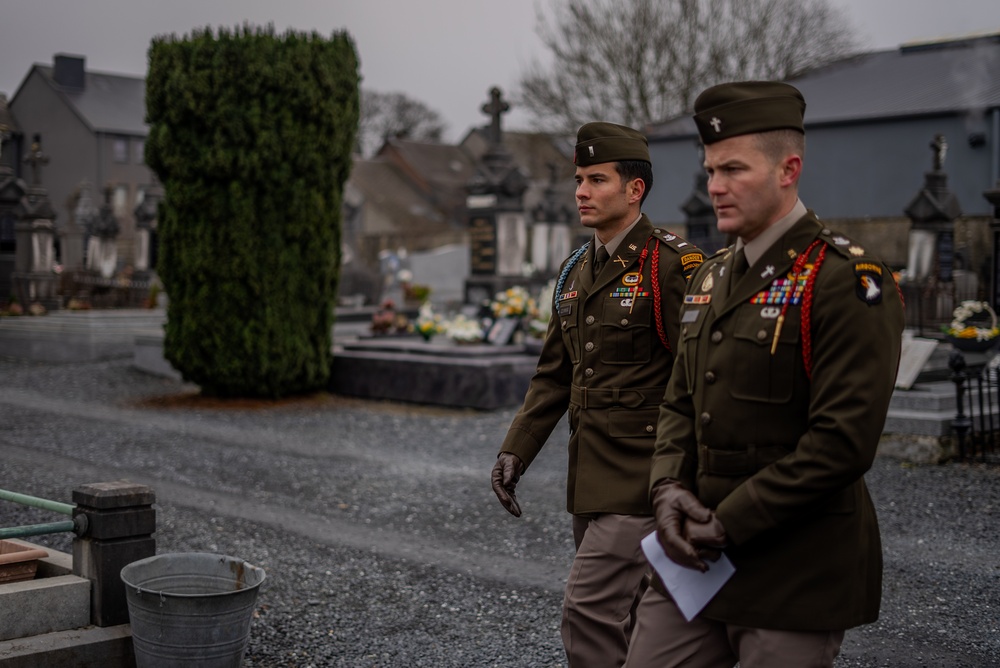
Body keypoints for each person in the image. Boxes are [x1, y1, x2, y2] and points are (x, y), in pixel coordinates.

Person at [623, 81, 905, 667]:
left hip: (792, 565)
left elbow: (842, 444)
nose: (715, 187)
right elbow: (679, 400)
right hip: (693, 558)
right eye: (710, 171)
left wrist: (728, 523)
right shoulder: (710, 275)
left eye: (733, 169)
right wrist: (669, 488)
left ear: (788, 170)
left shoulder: (845, 281)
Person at [491, 122, 704, 667]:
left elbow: (702, 378)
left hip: (645, 479)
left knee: (586, 612)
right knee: (629, 615)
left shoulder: (672, 266)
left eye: (596, 180)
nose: (580, 191)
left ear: (634, 190)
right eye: (579, 179)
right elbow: (554, 375)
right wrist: (516, 450)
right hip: (589, 476)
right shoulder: (575, 270)